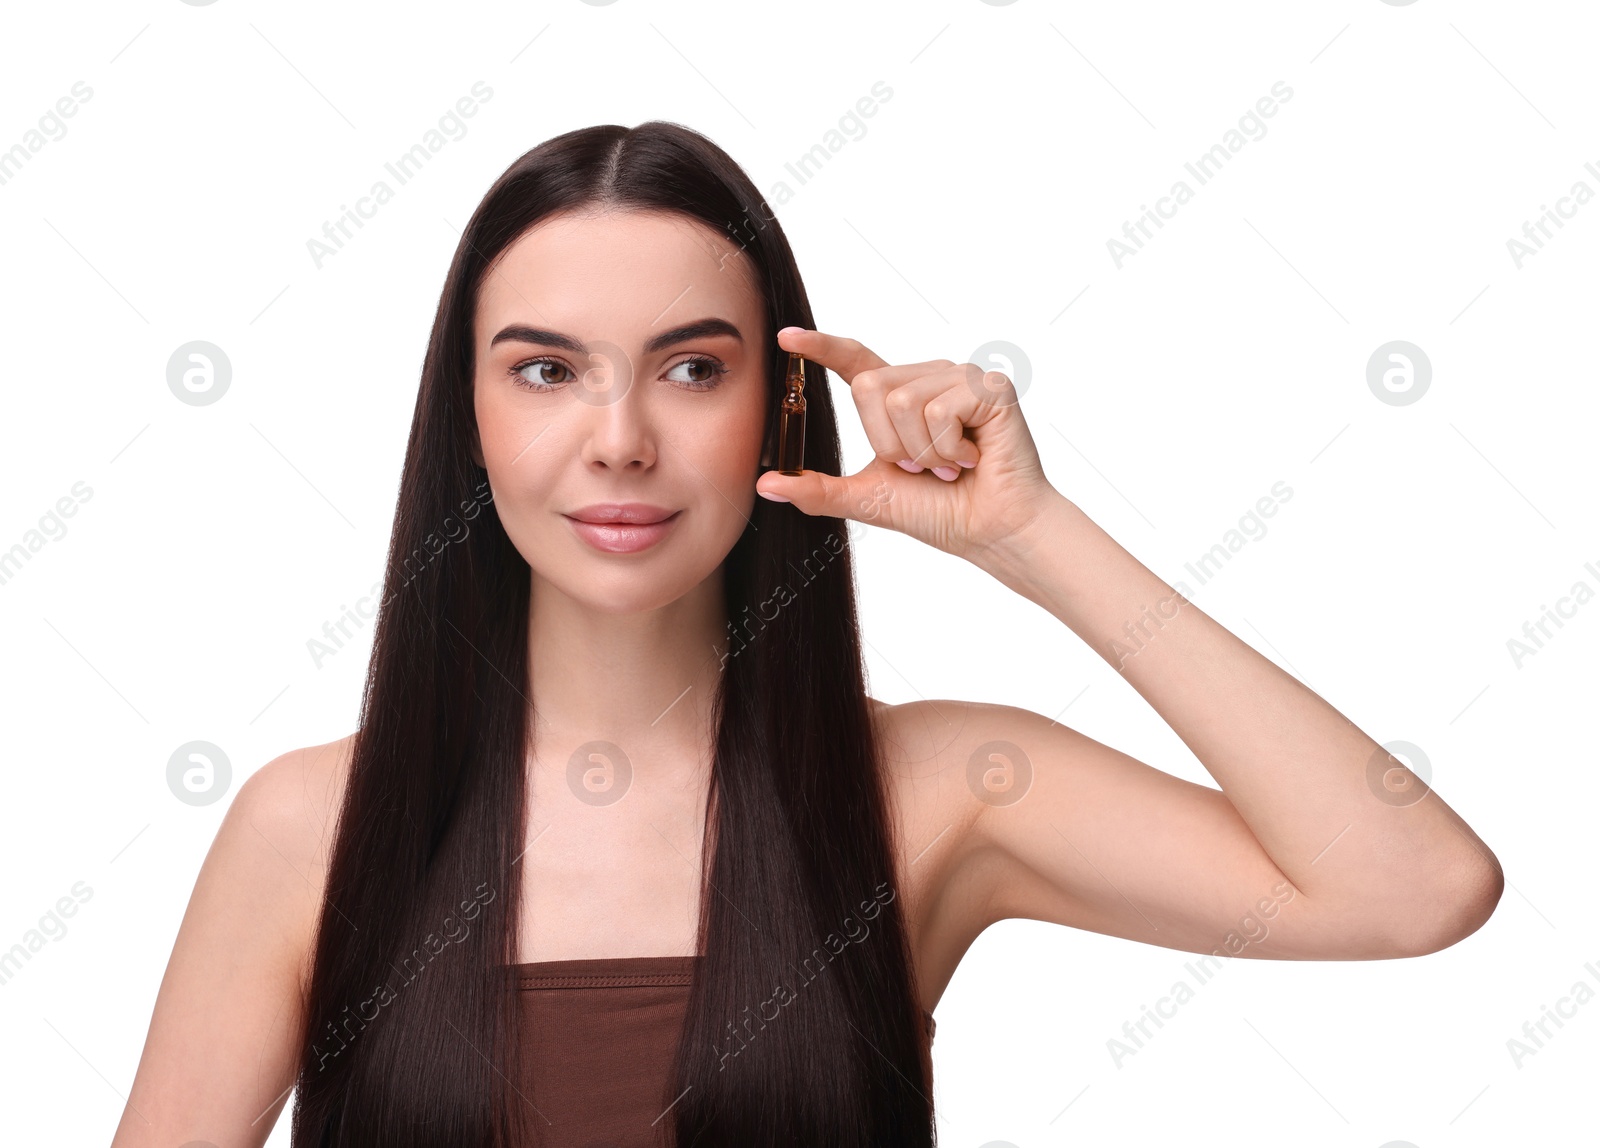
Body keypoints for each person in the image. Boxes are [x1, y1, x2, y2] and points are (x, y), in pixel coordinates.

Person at [110, 121, 1503, 1148]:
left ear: (780, 409)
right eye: (546, 370)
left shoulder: (943, 791)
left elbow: (1411, 886)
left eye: (692, 368)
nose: (620, 442)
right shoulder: (314, 826)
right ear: (467, 421)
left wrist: (1032, 538)